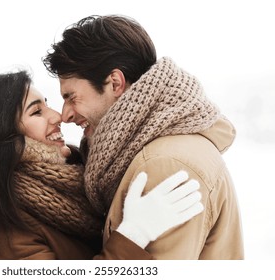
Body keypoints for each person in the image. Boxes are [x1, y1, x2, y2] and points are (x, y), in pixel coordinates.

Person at [0, 70, 204, 260]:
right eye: (37, 111)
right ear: (1, 136)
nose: (58, 116)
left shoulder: (68, 184)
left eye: (47, 104)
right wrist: (134, 234)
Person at [43, 14, 244, 259]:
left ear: (115, 83)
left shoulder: (162, 166)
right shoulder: (152, 152)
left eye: (71, 97)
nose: (65, 115)